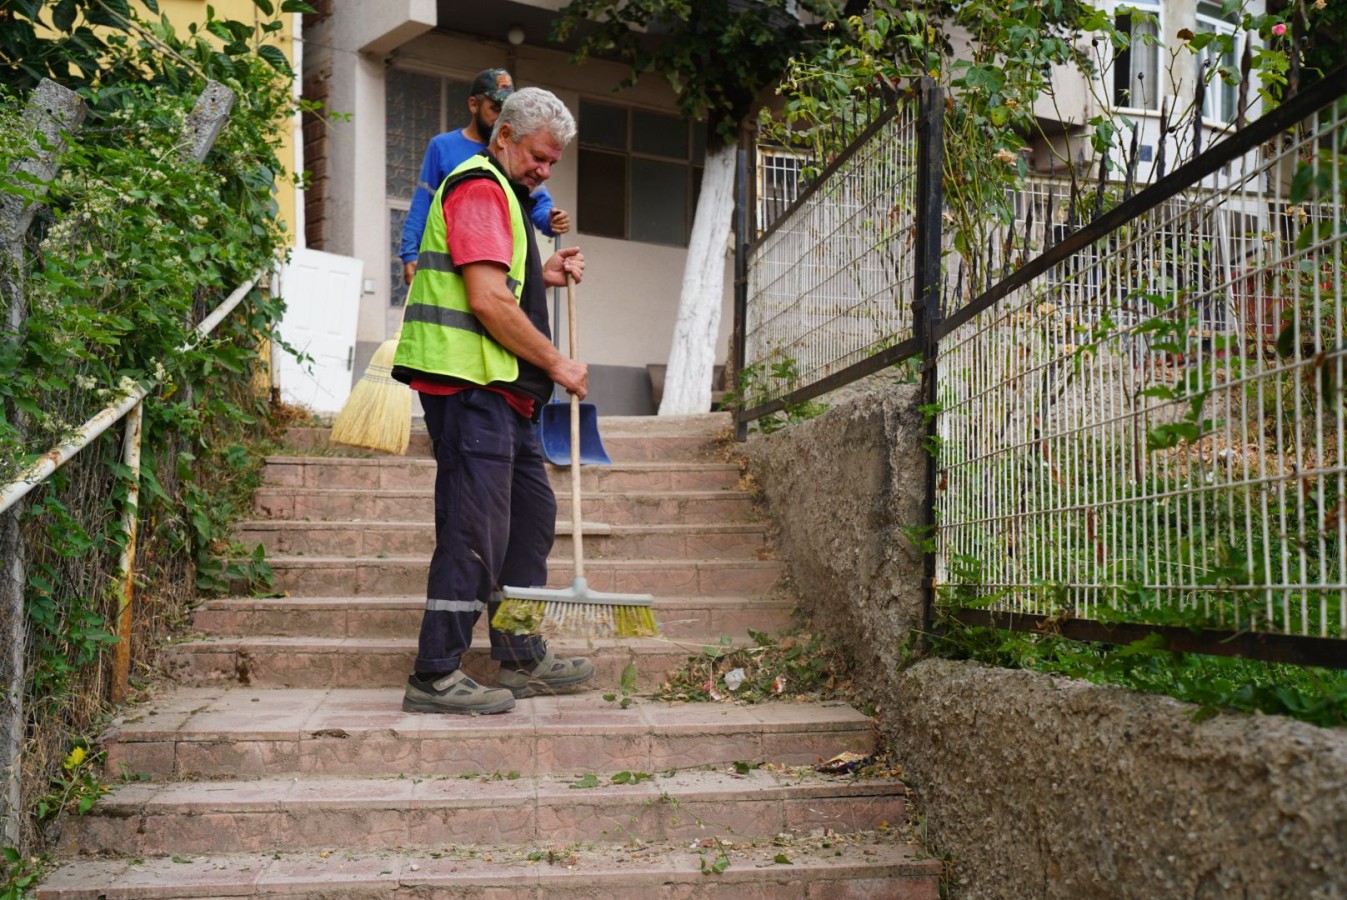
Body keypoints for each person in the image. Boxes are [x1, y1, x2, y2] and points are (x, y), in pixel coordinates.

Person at [391, 87, 594, 715]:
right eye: (538, 156)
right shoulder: (479, 185)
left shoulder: (507, 194)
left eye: (554, 162)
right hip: (471, 387)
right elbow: (486, 299)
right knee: (474, 531)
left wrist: (545, 271)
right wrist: (557, 362)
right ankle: (435, 673)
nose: (545, 170)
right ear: (503, 135)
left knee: (528, 521)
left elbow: (499, 279)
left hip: (505, 395)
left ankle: (518, 652)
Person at [398, 68, 571, 288]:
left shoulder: (514, 152)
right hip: (452, 258)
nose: (501, 117)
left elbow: (537, 201)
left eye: (507, 111)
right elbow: (423, 202)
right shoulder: (443, 147)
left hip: (499, 260)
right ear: (473, 104)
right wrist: (410, 252)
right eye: (496, 108)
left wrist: (551, 219)